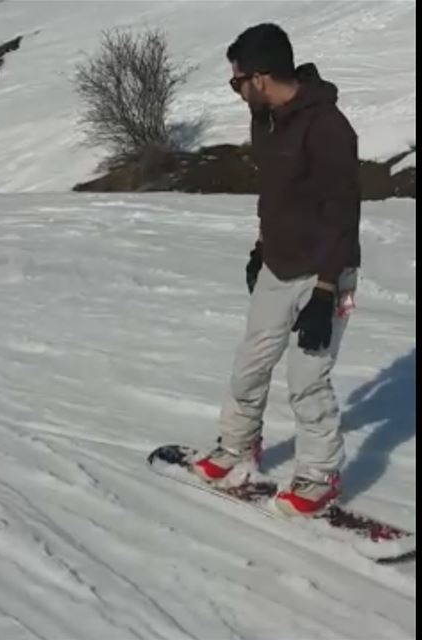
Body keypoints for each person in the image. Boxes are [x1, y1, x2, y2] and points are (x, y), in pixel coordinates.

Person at [193, 24, 361, 516]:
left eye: (237, 81)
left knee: (307, 378)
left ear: (262, 77)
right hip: (278, 263)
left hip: (326, 271)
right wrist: (260, 247)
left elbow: (342, 213)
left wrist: (327, 291)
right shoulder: (264, 120)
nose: (237, 91)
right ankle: (238, 445)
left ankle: (319, 476)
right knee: (250, 364)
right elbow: (277, 196)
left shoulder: (329, 127)